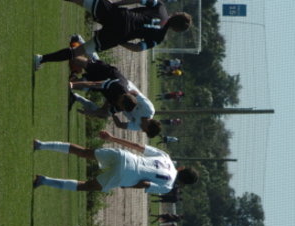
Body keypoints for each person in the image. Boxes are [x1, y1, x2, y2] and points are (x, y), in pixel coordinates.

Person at [34, 0, 192, 70]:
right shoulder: (159, 38)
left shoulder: (161, 7)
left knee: (80, 0)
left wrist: (116, 4)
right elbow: (137, 48)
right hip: (118, 35)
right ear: (176, 30)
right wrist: (121, 41)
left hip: (120, 15)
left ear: (176, 14)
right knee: (78, 52)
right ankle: (41, 59)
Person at [32, 131, 198, 194]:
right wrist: (127, 185)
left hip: (125, 157)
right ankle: (43, 180)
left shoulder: (166, 157)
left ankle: (41, 145)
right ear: (182, 183)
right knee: (86, 186)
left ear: (181, 168)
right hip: (124, 176)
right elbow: (145, 184)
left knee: (84, 152)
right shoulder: (167, 187)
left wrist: (112, 138)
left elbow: (138, 146)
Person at [69, 57, 161, 137]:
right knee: (80, 64)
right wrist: (121, 97)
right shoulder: (149, 109)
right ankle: (84, 59)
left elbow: (120, 125)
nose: (143, 131)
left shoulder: (138, 126)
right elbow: (134, 93)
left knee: (103, 114)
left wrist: (111, 110)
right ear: (149, 125)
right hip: (122, 88)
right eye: (146, 131)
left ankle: (76, 96)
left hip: (121, 102)